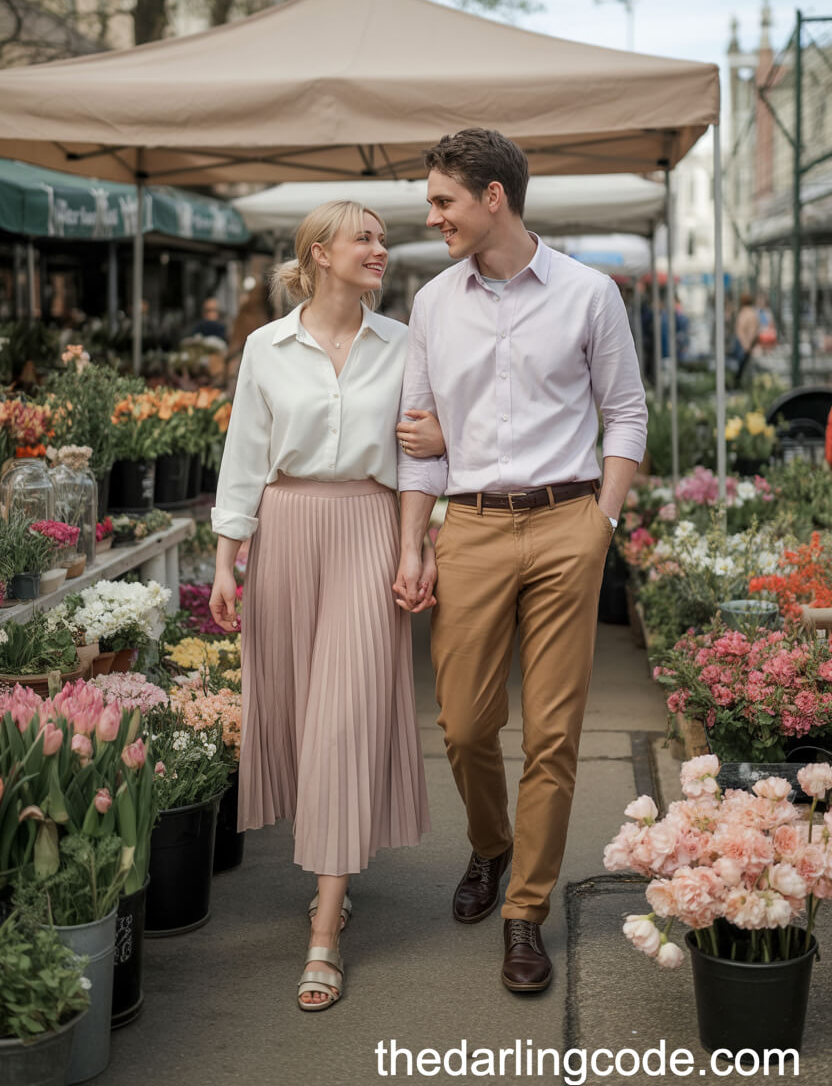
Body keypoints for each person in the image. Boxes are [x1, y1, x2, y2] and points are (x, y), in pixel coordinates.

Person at [394, 129, 647, 994]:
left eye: (443, 202)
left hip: (566, 523)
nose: (431, 218)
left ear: (493, 196)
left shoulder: (588, 294)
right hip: (468, 527)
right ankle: (491, 844)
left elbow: (627, 414)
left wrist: (600, 525)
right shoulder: (432, 303)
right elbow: (420, 440)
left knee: (553, 731)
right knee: (463, 724)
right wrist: (412, 540)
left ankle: (525, 911)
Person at [208, 201, 441, 1011]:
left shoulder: (407, 344)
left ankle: (326, 929)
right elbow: (243, 458)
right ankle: (331, 874)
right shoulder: (265, 349)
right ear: (318, 254)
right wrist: (225, 561)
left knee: (344, 717)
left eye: (382, 238)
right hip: (286, 529)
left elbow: (423, 453)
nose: (381, 248)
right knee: (305, 719)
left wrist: (422, 537)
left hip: (368, 529)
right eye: (365, 238)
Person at [734, 291, 760, 385]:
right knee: (746, 367)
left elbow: (740, 330)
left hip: (743, 344)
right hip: (750, 343)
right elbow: (755, 330)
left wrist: (745, 344)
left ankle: (739, 385)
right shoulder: (753, 313)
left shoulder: (743, 313)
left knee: (741, 368)